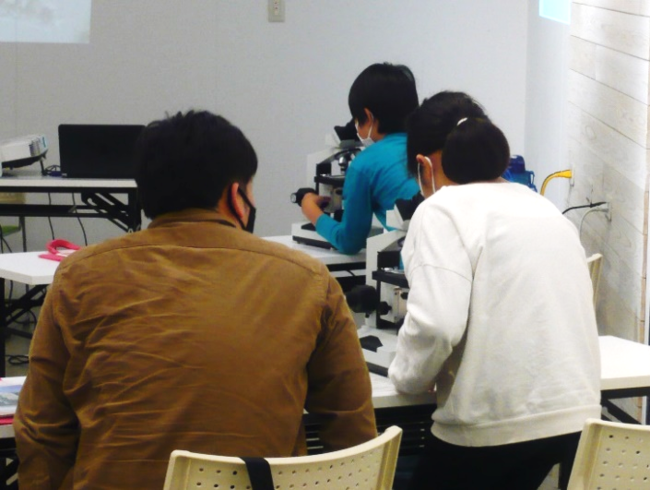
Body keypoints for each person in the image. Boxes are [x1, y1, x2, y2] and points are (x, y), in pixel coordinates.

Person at [14, 110, 377, 489]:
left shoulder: (78, 276)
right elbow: (352, 431)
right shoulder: (308, 280)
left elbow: (41, 427)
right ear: (236, 196)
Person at [388, 92, 601, 490]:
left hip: (491, 428)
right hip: (576, 420)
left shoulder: (440, 209)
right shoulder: (543, 207)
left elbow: (436, 324)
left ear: (423, 165)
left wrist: (406, 375)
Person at [300, 62, 420, 254]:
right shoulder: (429, 147)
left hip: (416, 261)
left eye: (356, 120)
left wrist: (311, 210)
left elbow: (350, 242)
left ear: (367, 116)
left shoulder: (364, 164)